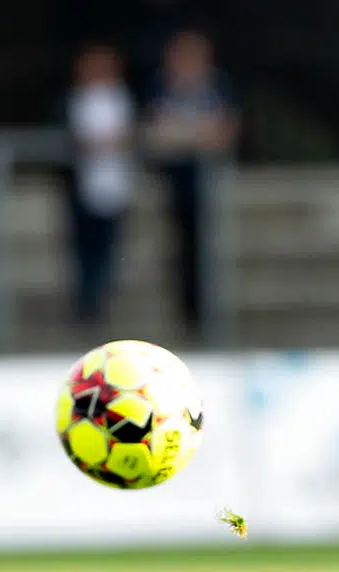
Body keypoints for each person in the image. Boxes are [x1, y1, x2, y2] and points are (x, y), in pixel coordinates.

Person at [142, 28, 238, 341]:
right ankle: (188, 312)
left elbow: (225, 130)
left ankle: (206, 313)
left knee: (205, 246)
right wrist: (195, 135)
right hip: (175, 178)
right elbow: (155, 132)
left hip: (207, 179)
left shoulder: (217, 86)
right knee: (179, 244)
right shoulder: (160, 86)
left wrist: (185, 135)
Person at [65, 43, 135, 328]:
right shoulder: (76, 99)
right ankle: (86, 303)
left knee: (110, 246)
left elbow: (127, 135)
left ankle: (104, 298)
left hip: (114, 185)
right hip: (83, 187)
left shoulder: (120, 98)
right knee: (84, 247)